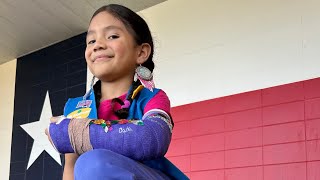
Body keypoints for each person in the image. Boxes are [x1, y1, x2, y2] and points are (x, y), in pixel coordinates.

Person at [46, 4, 188, 180]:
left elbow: (152, 138)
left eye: (112, 36)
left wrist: (77, 132)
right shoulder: (74, 107)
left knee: (92, 164)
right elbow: (71, 170)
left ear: (141, 52)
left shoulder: (153, 97)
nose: (97, 45)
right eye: (91, 41)